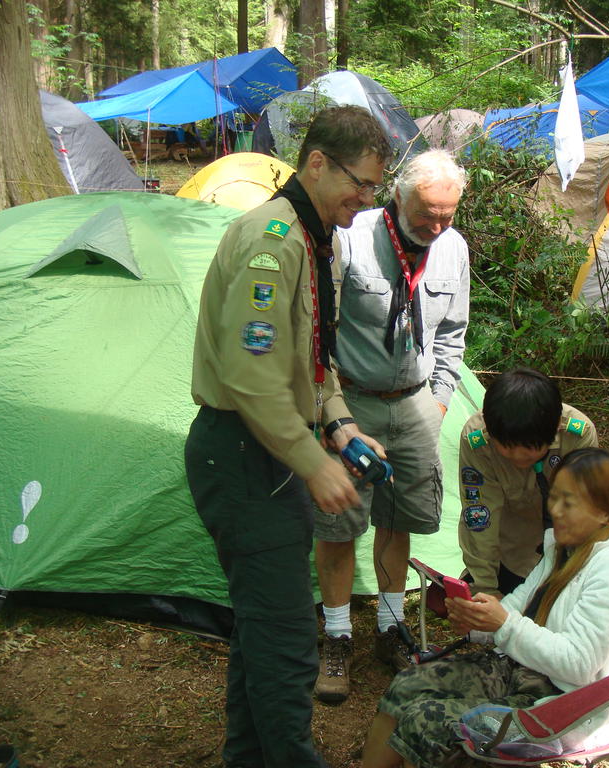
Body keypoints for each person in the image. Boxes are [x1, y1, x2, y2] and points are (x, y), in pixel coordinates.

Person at [183, 105, 392, 768]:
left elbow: (309, 359)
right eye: (359, 183)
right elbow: (251, 377)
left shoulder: (312, 236)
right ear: (318, 163)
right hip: (245, 453)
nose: (366, 199)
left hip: (265, 452)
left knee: (263, 628)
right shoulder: (272, 241)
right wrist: (312, 462)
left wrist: (340, 423)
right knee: (288, 638)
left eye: (375, 187)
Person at [360, 447, 609, 768]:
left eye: (568, 503)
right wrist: (478, 622)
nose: (554, 510)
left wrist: (503, 624)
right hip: (524, 669)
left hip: (568, 706)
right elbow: (518, 606)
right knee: (407, 685)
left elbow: (578, 665)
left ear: (605, 514)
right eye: (554, 497)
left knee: (427, 721)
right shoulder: (564, 548)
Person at [313, 149, 470, 703]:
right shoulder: (351, 238)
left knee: (399, 518)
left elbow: (452, 333)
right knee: (338, 523)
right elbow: (320, 332)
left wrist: (440, 402)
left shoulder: (453, 248)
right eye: (427, 213)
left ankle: (389, 627)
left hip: (416, 403)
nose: (436, 226)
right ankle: (336, 636)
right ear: (398, 196)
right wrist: (331, 413)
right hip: (352, 403)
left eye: (447, 215)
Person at [458, 367, 598, 598]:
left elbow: (583, 511)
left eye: (529, 449)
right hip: (512, 551)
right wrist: (485, 587)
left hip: (566, 549)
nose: (517, 457)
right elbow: (480, 517)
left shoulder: (577, 436)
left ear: (554, 429)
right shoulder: (478, 441)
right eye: (506, 447)